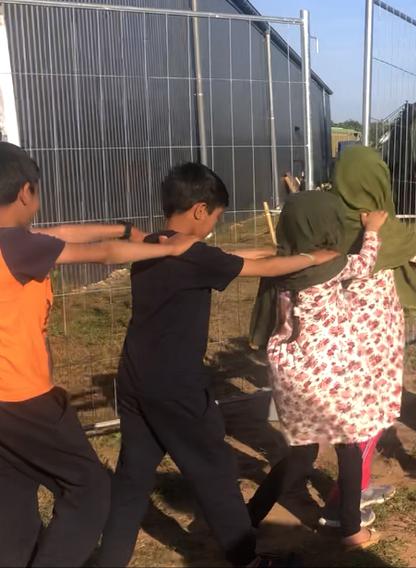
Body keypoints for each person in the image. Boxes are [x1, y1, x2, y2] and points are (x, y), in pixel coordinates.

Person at [96, 164, 339, 567]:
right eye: (215, 218)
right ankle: (248, 559)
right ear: (199, 210)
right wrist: (315, 256)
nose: (214, 226)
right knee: (215, 470)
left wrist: (272, 251)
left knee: (133, 477)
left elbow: (223, 256)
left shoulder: (154, 244)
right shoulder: (194, 254)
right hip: (177, 387)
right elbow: (258, 269)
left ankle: (110, 559)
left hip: (136, 379)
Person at [0, 142, 198, 567]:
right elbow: (99, 255)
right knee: (89, 488)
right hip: (21, 399)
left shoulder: (16, 243)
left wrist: (121, 228)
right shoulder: (16, 246)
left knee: (13, 493)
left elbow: (60, 234)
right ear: (25, 193)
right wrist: (169, 249)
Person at [317, 146, 416, 526]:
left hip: (335, 337)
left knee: (358, 417)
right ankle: (340, 504)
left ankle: (356, 487)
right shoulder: (379, 226)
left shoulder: (326, 219)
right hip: (374, 343)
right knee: (370, 418)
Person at [246, 191, 388, 551]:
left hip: (290, 373)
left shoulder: (281, 267)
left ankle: (248, 516)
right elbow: (366, 262)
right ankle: (352, 530)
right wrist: (371, 229)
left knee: (302, 453)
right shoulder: (331, 264)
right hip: (328, 375)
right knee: (349, 446)